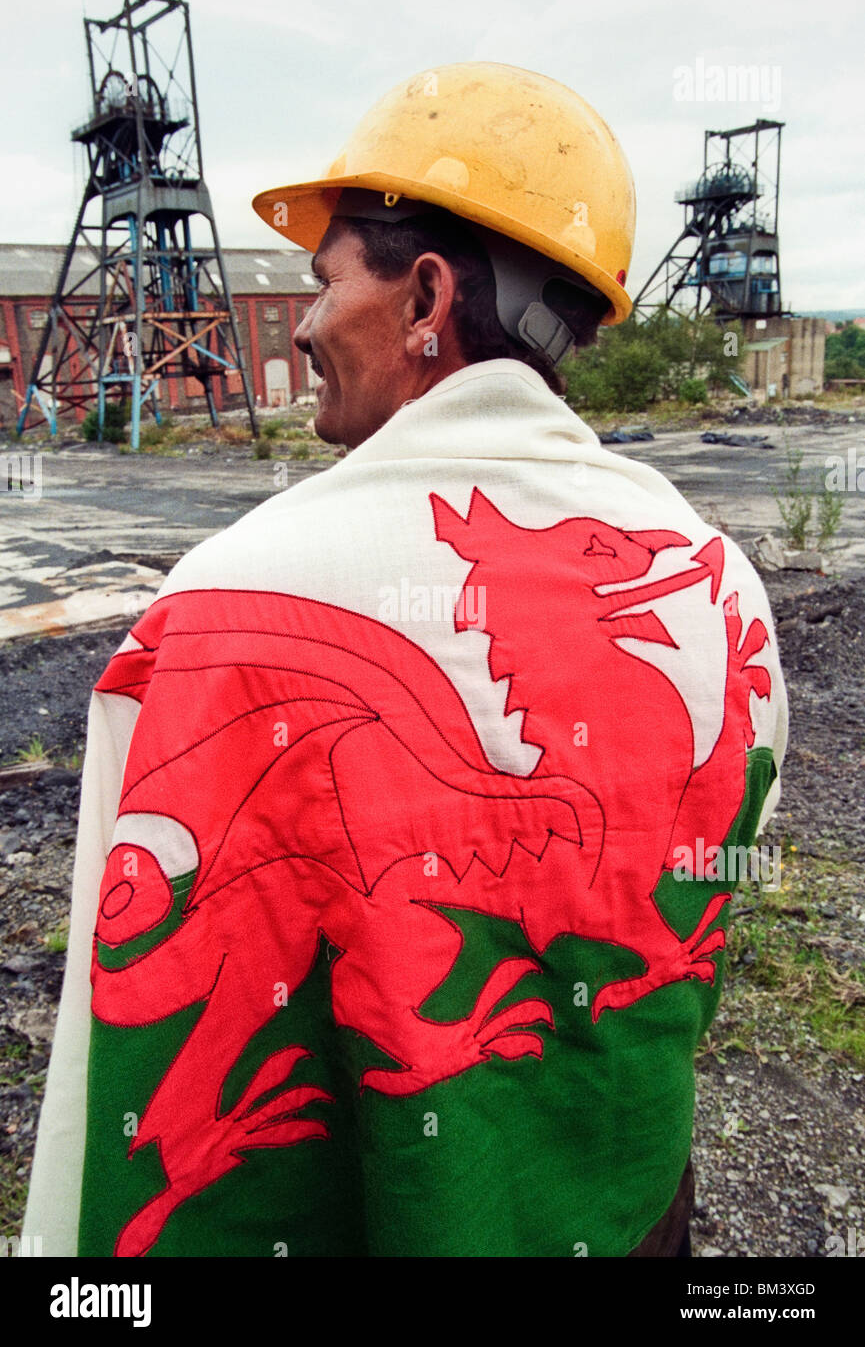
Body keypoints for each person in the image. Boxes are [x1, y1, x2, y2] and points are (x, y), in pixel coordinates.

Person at [23, 61, 787, 1258]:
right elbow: (691, 941)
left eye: (325, 283)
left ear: (425, 292)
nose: (312, 321)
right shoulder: (725, 584)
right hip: (630, 1217)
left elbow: (123, 1044)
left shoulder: (215, 612)